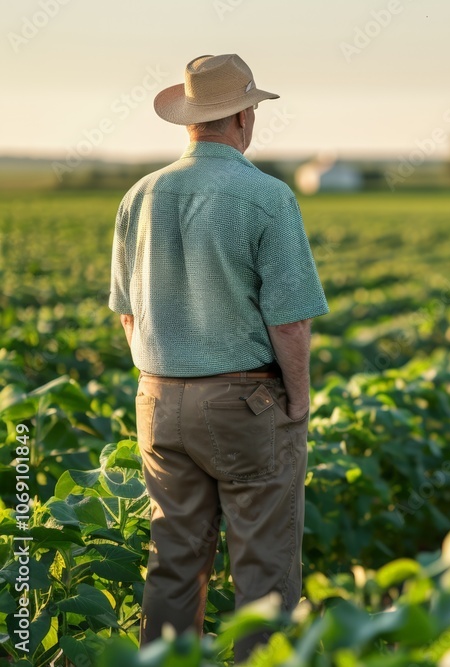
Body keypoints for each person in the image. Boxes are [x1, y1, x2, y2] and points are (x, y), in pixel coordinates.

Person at [108, 53, 329, 662]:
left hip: (157, 397)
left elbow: (128, 313)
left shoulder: (141, 195)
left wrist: (162, 374)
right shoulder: (267, 196)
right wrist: (299, 399)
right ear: (242, 118)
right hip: (243, 402)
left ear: (191, 119)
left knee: (173, 562)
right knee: (263, 565)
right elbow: (289, 321)